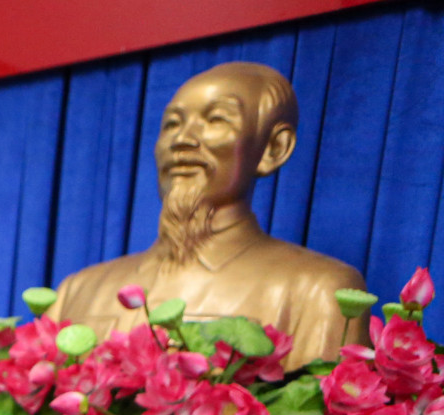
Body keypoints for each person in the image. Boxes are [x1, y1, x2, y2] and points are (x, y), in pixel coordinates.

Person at [49, 62, 364, 369]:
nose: (182, 139)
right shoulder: (76, 291)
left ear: (273, 149)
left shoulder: (317, 291)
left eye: (216, 120)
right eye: (172, 123)